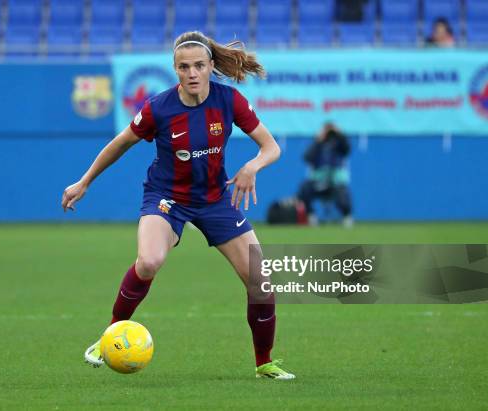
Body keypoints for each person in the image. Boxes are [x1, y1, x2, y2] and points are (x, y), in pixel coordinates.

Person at [62, 31, 295, 380]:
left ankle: (264, 363)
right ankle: (108, 337)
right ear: (175, 70)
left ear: (211, 66)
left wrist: (251, 167)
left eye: (199, 66)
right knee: (149, 261)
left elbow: (271, 147)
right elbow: (120, 143)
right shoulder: (159, 108)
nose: (192, 73)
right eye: (184, 67)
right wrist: (84, 181)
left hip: (216, 198)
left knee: (260, 281)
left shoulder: (228, 100)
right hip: (167, 197)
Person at [296, 122, 353, 227]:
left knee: (342, 192)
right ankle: (311, 216)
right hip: (319, 181)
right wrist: (318, 140)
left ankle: (347, 217)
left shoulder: (339, 143)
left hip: (335, 182)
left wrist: (339, 134)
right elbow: (307, 157)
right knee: (304, 188)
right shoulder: (318, 144)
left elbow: (347, 149)